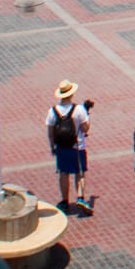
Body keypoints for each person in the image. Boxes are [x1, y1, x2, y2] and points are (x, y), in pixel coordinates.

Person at [46, 80, 92, 210]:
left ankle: (65, 200)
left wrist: (52, 147)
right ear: (71, 94)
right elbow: (85, 129)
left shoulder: (52, 111)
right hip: (78, 147)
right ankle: (80, 197)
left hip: (62, 147)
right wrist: (88, 117)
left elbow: (50, 133)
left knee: (63, 173)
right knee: (80, 173)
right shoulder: (79, 110)